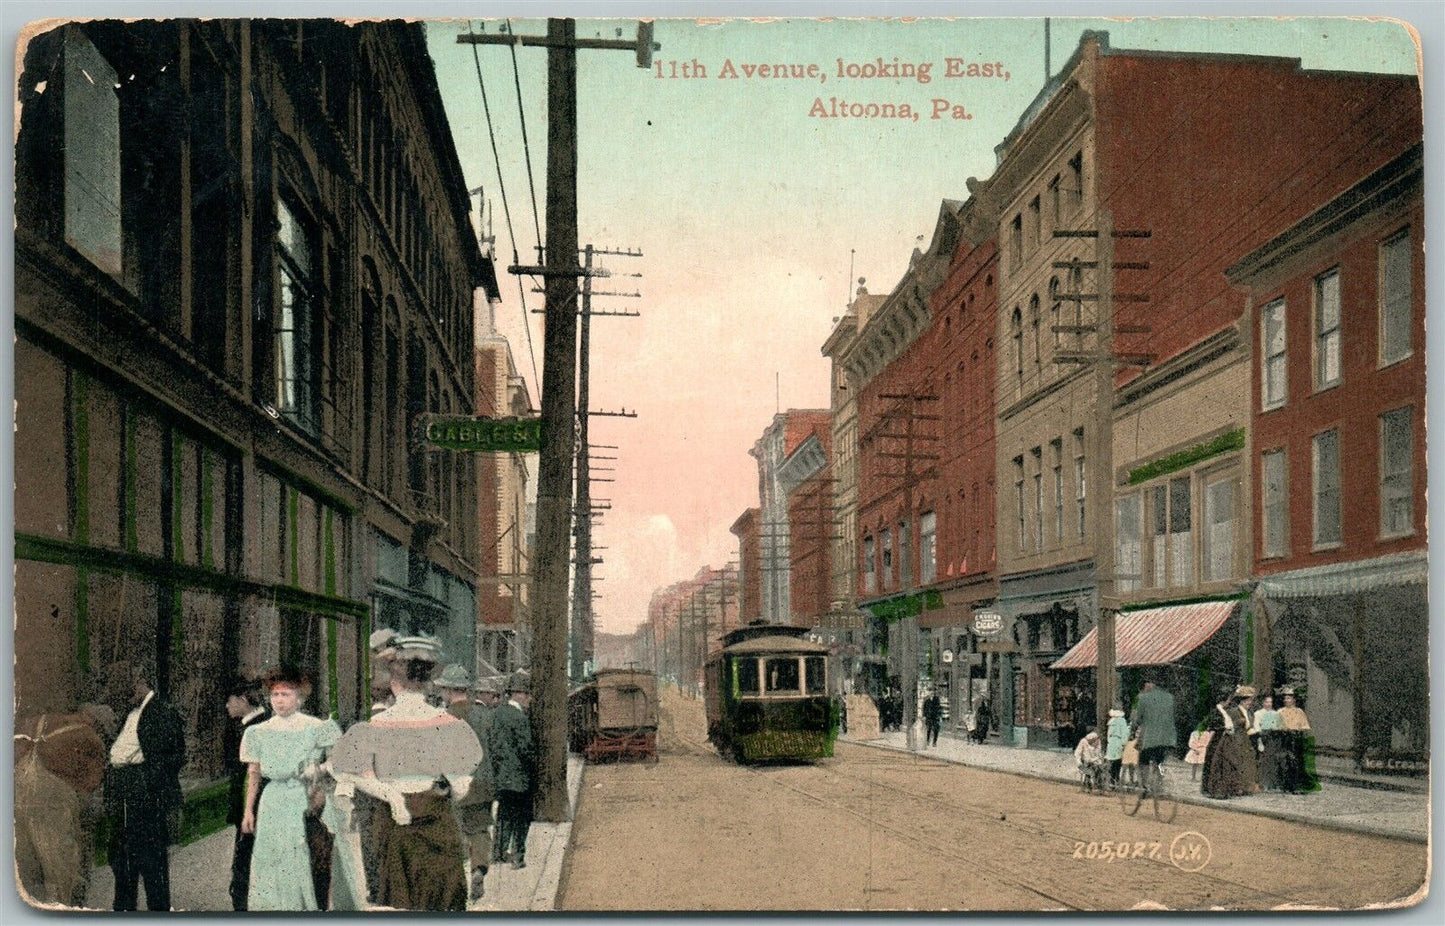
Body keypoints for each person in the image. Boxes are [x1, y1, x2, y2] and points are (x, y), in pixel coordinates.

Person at [331, 637, 484, 911]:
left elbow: (350, 772)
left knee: (400, 898)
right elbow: (461, 786)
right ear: (428, 684)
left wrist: (391, 795)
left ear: (394, 684)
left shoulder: (375, 726)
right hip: (437, 820)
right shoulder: (449, 725)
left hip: (394, 823)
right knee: (442, 896)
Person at [240, 667, 341, 911]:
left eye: (285, 694)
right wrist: (248, 811)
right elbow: (254, 773)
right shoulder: (258, 731)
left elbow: (337, 760)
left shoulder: (317, 727)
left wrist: (318, 769)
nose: (279, 700)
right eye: (275, 695)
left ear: (299, 698)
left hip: (302, 797)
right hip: (272, 800)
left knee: (299, 853)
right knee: (271, 854)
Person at [101, 660, 185, 912]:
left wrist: (145, 787)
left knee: (152, 867)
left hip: (145, 800)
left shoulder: (161, 711)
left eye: (128, 691)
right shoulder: (130, 713)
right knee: (122, 864)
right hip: (124, 798)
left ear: (140, 684)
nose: (125, 698)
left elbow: (171, 758)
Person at [14, 707, 108, 907]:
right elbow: (92, 782)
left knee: (27, 860)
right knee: (61, 864)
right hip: (55, 800)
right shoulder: (90, 739)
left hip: (21, 792)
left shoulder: (42, 721)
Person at [435, 664, 494, 901]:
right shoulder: (484, 715)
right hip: (483, 783)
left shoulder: (442, 719)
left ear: (449, 691)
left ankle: (458, 878)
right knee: (479, 829)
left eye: (443, 689)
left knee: (456, 832)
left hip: (456, 785)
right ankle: (478, 869)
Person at [224, 679, 268, 910]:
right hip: (247, 804)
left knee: (246, 857)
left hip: (253, 805)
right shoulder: (244, 726)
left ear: (242, 700)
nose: (227, 706)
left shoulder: (255, 728)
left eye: (229, 700)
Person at [489, 671, 537, 869]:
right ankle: (518, 855)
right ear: (520, 694)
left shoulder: (496, 714)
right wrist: (534, 766)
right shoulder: (520, 718)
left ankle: (499, 853)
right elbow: (526, 749)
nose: (530, 700)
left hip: (501, 777)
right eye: (528, 695)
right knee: (522, 817)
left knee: (503, 815)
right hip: (519, 777)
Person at [1201, 685, 1260, 799]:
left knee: (1243, 763)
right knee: (1227, 763)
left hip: (1243, 740)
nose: (1249, 703)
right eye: (1247, 700)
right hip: (1231, 740)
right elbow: (1226, 725)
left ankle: (1241, 787)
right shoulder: (1232, 711)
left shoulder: (1249, 713)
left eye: (1250, 700)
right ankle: (1224, 788)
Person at [1130, 679, 1178, 793]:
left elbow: (1137, 719)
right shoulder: (1170, 697)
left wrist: (1133, 730)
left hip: (1150, 738)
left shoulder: (1143, 698)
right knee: (1159, 761)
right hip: (1168, 738)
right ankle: (1159, 784)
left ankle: (1144, 785)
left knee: (1143, 760)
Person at [1276, 688, 1318, 793]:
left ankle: (1297, 785)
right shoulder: (1280, 712)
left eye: (1289, 698)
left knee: (1297, 762)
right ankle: (1286, 785)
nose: (1286, 700)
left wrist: (1299, 733)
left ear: (1294, 700)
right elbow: (1276, 726)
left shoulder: (1299, 712)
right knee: (1286, 762)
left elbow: (1304, 726)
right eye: (1285, 698)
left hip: (1296, 738)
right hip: (1285, 738)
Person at [1250, 694, 1285, 792]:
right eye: (1267, 702)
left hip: (1274, 739)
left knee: (1273, 761)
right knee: (1264, 761)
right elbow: (1256, 726)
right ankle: (1263, 784)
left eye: (1270, 702)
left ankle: (1273, 784)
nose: (1269, 704)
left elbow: (1279, 725)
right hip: (1263, 738)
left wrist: (1277, 729)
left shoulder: (1275, 713)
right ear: (1263, 703)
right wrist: (1260, 739)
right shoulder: (1258, 713)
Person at [1104, 707, 1130, 787]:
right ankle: (1115, 779)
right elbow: (1125, 733)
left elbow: (1108, 735)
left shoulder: (1111, 721)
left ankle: (1112, 780)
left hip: (1112, 743)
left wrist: (1109, 741)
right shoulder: (1122, 721)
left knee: (1112, 762)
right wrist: (1124, 743)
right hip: (1118, 742)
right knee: (1117, 762)